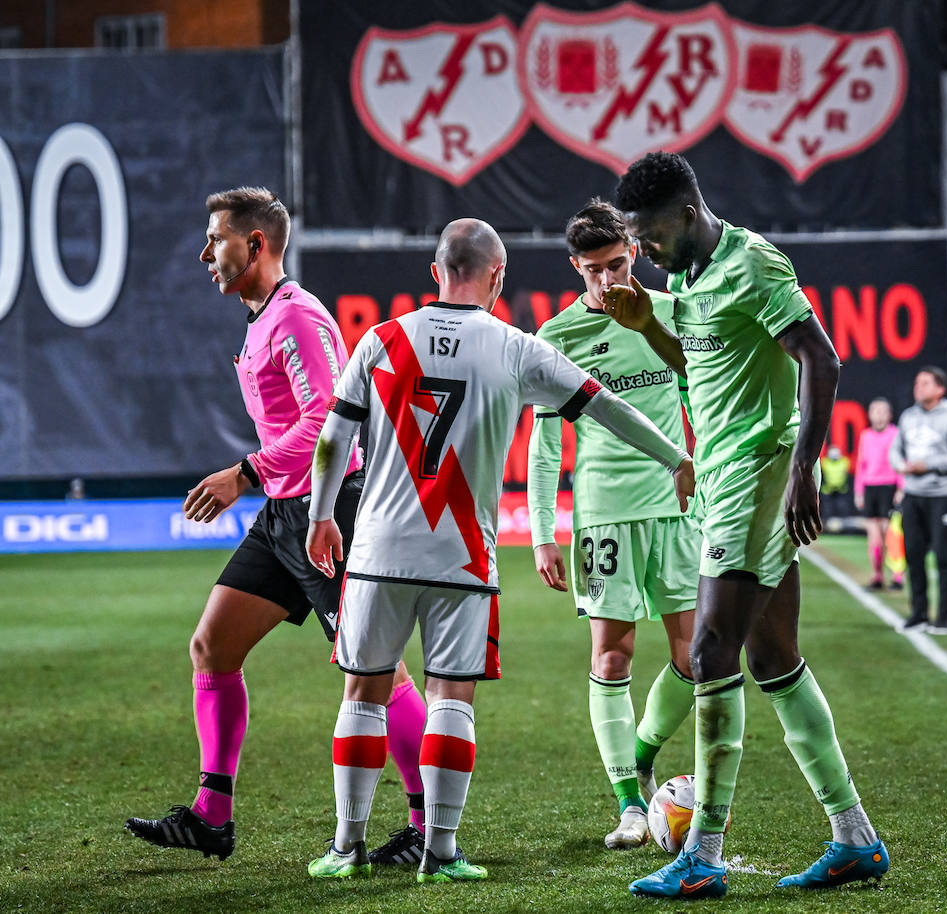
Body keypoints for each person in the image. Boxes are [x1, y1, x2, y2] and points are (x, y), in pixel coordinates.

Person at [303, 218, 694, 882]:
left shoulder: (380, 340)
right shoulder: (517, 347)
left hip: (375, 549)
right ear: (498, 276)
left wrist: (319, 517)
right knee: (451, 698)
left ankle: (346, 848)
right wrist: (676, 455)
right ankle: (443, 851)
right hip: (461, 557)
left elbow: (332, 440)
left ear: (436, 272)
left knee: (363, 694)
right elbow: (605, 409)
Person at [601, 152, 887, 898]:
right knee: (774, 661)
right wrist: (647, 328)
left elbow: (820, 360)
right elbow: (703, 370)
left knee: (710, 647)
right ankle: (854, 837)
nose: (642, 252)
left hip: (759, 471)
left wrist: (804, 471)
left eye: (647, 234)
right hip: (724, 475)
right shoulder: (685, 279)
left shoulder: (752, 263)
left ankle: (703, 852)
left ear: (687, 214)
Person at [125, 188, 427, 866]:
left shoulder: (298, 318)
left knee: (377, 671)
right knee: (212, 646)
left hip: (331, 510)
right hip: (283, 513)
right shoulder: (262, 318)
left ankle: (427, 823)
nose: (206, 253)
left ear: (257, 244)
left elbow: (327, 420)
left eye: (217, 239)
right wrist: (263, 484)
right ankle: (212, 815)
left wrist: (246, 472)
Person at [526, 199, 698, 850]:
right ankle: (629, 802)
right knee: (612, 653)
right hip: (602, 509)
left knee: (695, 656)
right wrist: (543, 530)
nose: (609, 280)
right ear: (576, 267)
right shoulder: (557, 338)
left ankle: (643, 750)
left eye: (618, 264)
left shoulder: (673, 315)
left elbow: (702, 399)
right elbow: (544, 445)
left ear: (634, 255)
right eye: (594, 269)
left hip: (677, 505)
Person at [890, 367, 947, 633]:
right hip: (913, 495)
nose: (919, 387)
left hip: (943, 495)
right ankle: (919, 613)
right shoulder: (908, 417)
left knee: (944, 557)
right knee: (913, 556)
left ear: (940, 389)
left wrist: (927, 465)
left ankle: (945, 617)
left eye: (925, 383)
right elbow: (896, 449)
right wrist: (900, 465)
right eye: (917, 381)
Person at [853, 398, 903, 590]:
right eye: (875, 411)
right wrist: (859, 491)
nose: (879, 415)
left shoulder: (895, 434)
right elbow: (861, 465)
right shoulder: (866, 435)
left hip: (889, 486)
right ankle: (877, 575)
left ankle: (898, 575)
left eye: (883, 411)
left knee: (890, 533)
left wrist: (900, 488)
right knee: (874, 536)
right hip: (870, 487)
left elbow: (900, 462)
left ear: (889, 415)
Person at [818, 445, 853, 524]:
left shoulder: (845, 462)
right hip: (827, 490)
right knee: (827, 510)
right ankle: (826, 527)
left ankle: (844, 527)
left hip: (842, 490)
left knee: (843, 508)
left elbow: (848, 476)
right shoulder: (824, 462)